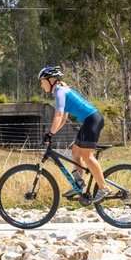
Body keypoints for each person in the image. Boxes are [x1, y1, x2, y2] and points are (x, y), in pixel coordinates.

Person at [37, 66, 110, 203]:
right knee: (75, 151)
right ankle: (79, 183)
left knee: (87, 156)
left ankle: (103, 188)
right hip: (90, 120)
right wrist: (52, 134)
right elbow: (64, 118)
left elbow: (58, 115)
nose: (41, 85)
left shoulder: (59, 91)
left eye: (42, 81)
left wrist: (50, 133)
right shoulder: (61, 91)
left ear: (50, 80)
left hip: (92, 120)